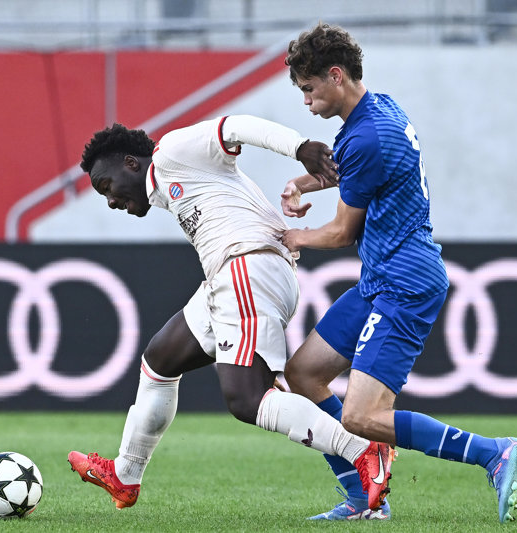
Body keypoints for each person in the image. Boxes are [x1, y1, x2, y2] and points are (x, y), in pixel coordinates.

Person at [67, 115, 394, 516]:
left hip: (246, 267)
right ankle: (126, 473)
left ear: (131, 164)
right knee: (159, 360)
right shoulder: (170, 185)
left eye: (107, 187)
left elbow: (236, 126)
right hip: (236, 274)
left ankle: (363, 449)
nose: (111, 201)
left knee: (247, 400)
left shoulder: (172, 152)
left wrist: (299, 147)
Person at [278, 22, 517, 523]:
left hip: (405, 282)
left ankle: (492, 452)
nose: (305, 102)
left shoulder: (367, 136)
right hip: (380, 278)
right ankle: (364, 498)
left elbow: (341, 233)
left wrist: (293, 237)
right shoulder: (379, 109)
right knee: (303, 373)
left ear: (335, 75)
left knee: (363, 415)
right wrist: (301, 183)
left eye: (309, 89)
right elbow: (351, 168)